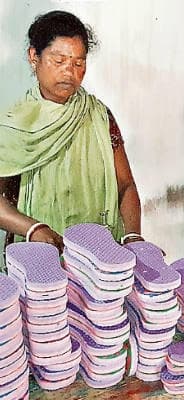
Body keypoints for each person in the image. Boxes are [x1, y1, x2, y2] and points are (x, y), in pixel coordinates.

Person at [0, 10, 142, 254]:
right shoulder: (14, 126)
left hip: (97, 254)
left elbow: (125, 185)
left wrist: (133, 236)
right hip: (37, 257)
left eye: (78, 63)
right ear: (34, 56)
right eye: (59, 61)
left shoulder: (98, 116)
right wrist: (33, 228)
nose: (69, 72)